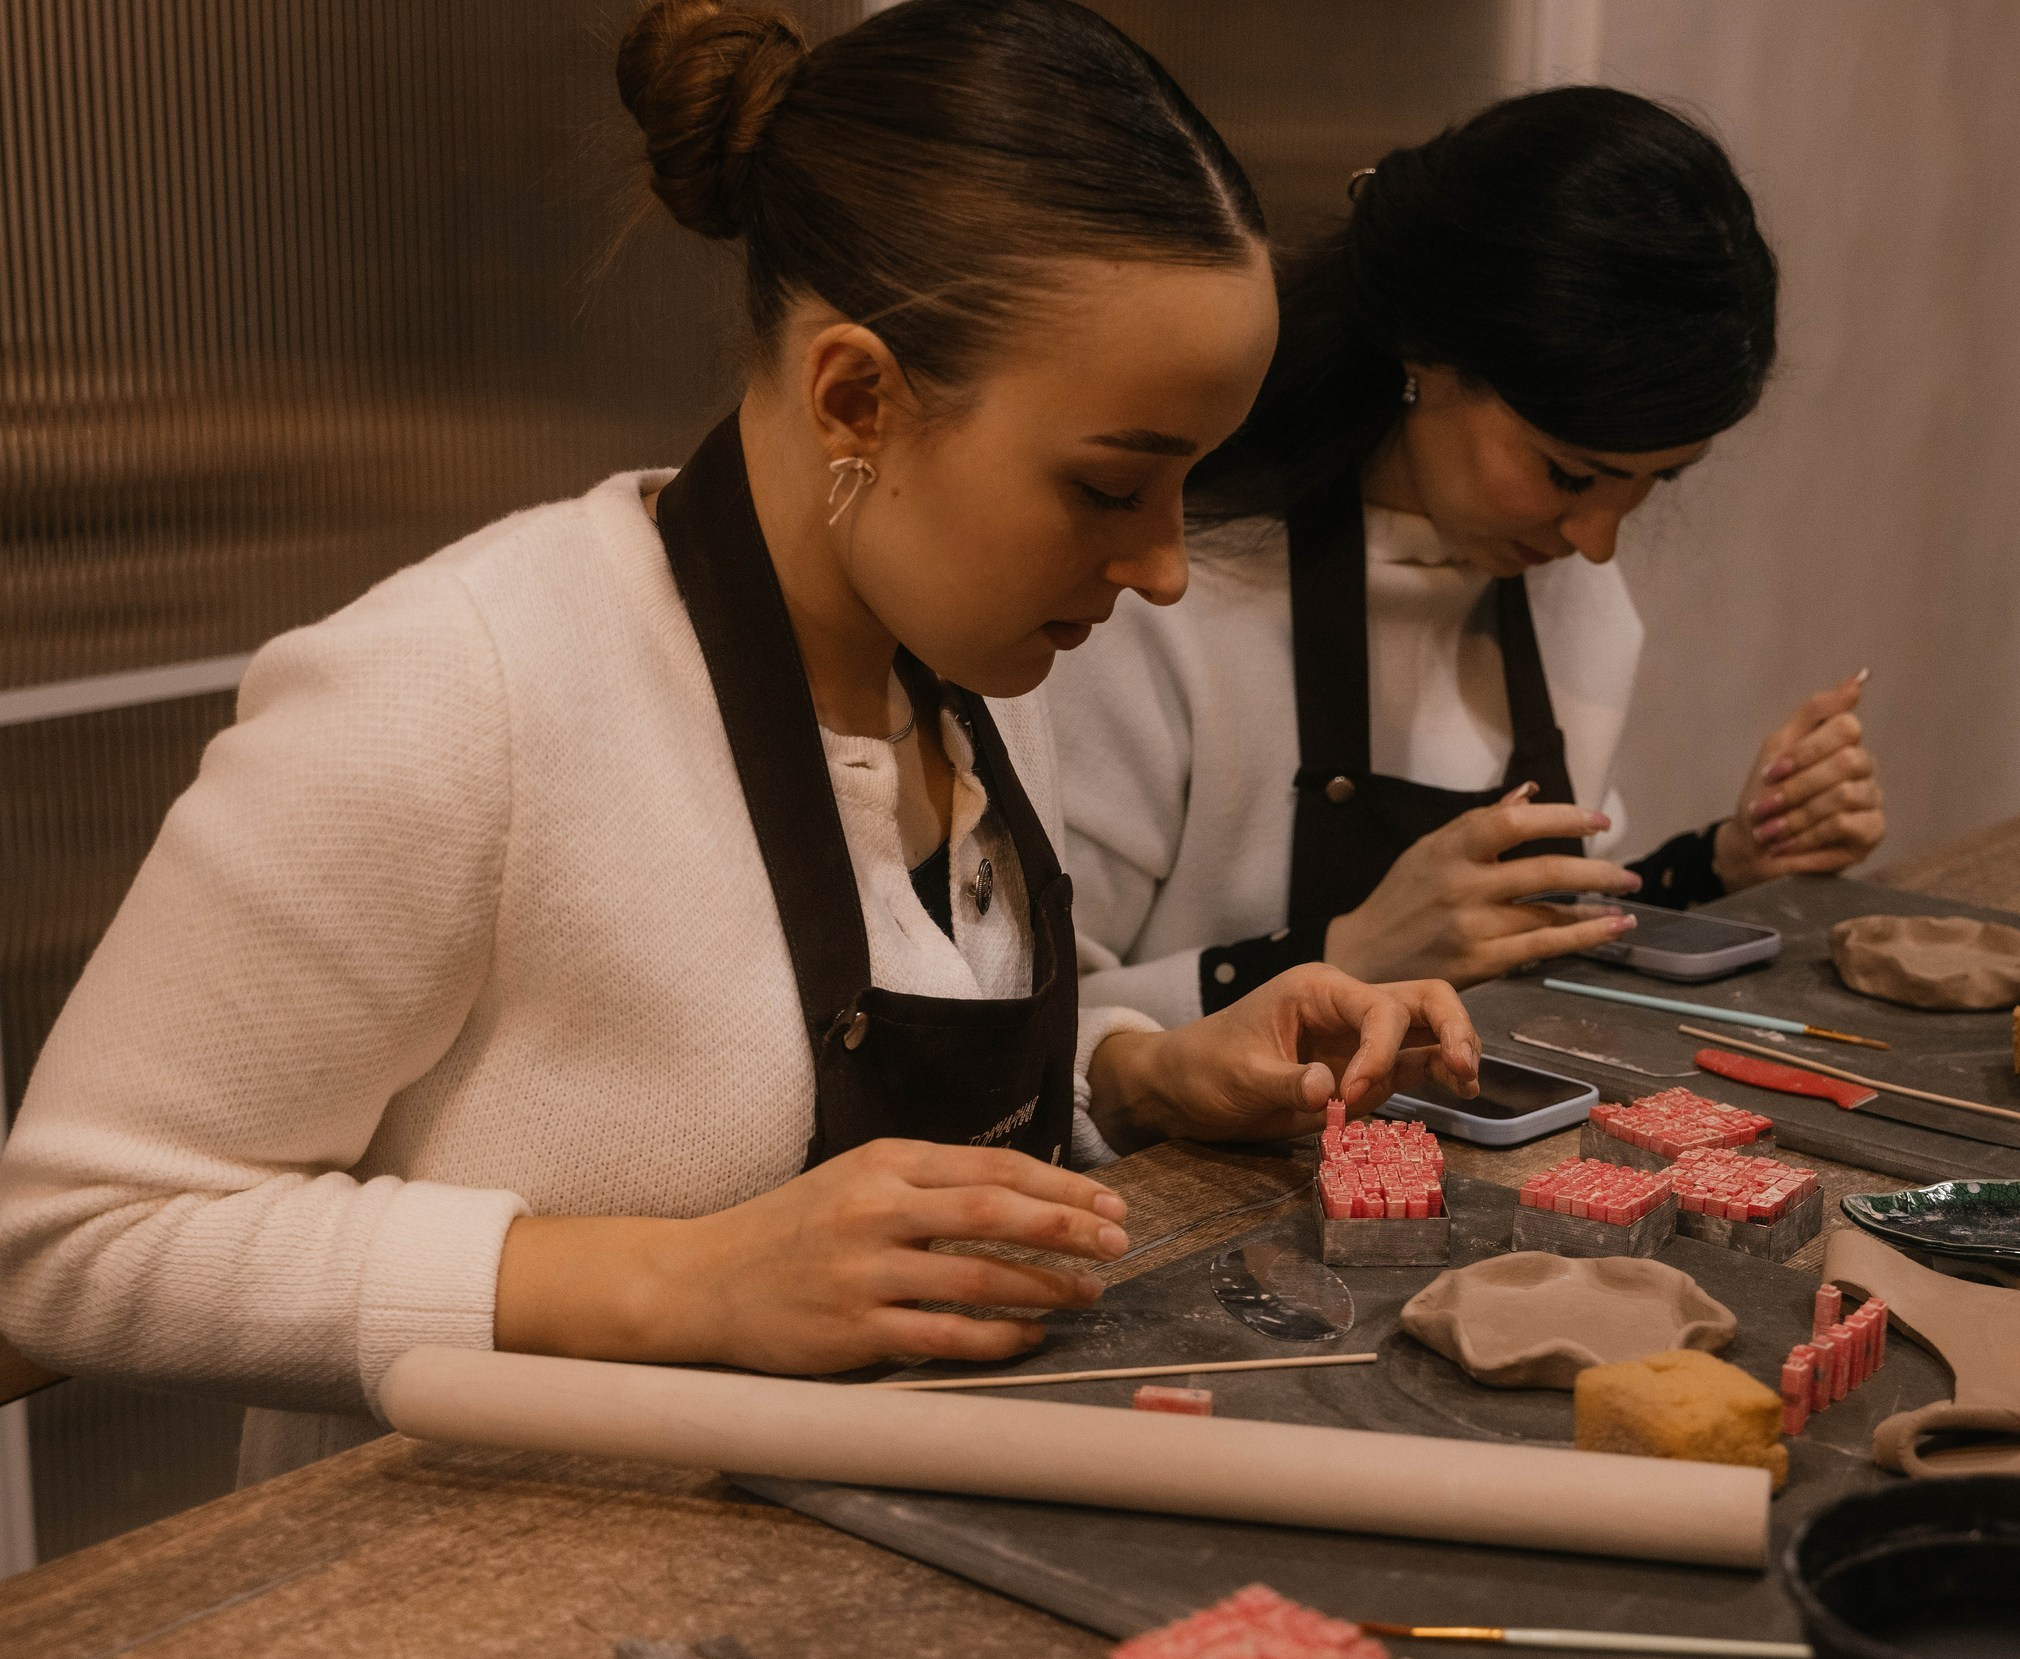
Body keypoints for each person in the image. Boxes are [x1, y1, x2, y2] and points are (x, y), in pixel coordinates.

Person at [0, 0, 1476, 1482]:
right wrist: (679, 1279)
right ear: (857, 397)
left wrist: (1137, 1072)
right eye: (1107, 488)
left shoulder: (939, 670)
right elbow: (74, 1239)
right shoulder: (459, 691)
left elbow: (817, 1059)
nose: (1161, 568)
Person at [1051, 87, 1887, 1024]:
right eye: (1572, 474)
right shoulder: (1161, 595)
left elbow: (1546, 934)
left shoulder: (1572, 596)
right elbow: (1035, 1042)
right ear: (1428, 351)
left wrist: (1730, 861)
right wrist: (1350, 956)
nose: (1598, 541)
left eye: (1657, 482)